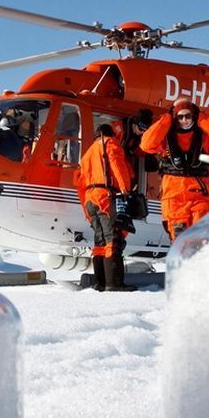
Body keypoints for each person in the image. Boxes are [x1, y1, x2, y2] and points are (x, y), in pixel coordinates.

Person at [139, 96, 209, 241]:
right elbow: (146, 144)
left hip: (199, 196)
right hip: (174, 198)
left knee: (202, 239)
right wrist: (167, 118)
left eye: (188, 115)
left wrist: (202, 117)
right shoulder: (165, 139)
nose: (184, 120)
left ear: (194, 116)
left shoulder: (204, 138)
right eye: (180, 116)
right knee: (180, 243)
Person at [76, 123, 136, 292]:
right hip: (105, 195)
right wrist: (125, 190)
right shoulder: (110, 143)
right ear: (111, 135)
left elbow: (80, 184)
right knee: (113, 239)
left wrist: (86, 209)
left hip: (90, 198)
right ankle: (114, 283)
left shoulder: (87, 154)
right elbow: (117, 165)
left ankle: (100, 283)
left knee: (100, 241)